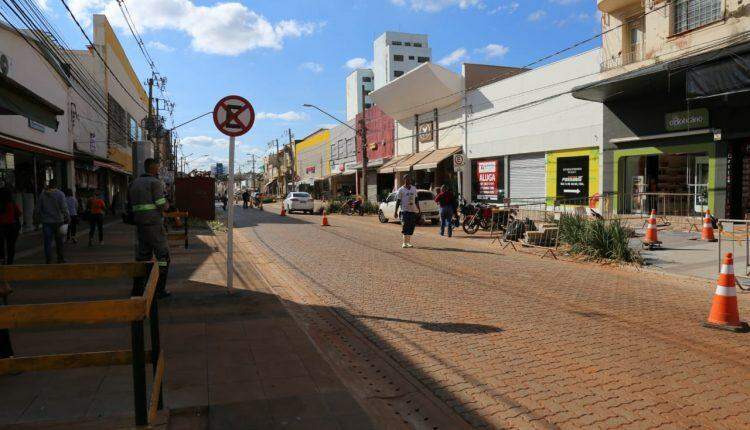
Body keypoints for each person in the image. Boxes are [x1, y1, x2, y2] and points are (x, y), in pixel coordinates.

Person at [129, 158, 170, 298]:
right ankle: (159, 290)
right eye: (157, 168)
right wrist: (167, 205)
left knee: (142, 257)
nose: (158, 170)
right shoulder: (155, 182)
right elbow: (160, 203)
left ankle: (138, 290)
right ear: (152, 168)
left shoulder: (134, 183)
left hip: (140, 225)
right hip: (153, 224)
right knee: (163, 257)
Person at [33, 179, 70, 264]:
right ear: (56, 185)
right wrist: (67, 217)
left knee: (47, 241)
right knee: (59, 241)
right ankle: (60, 258)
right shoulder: (60, 194)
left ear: (49, 185)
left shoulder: (42, 195)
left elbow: (37, 208)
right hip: (58, 221)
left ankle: (48, 259)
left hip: (46, 222)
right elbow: (64, 207)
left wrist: (36, 219)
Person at [394, 175, 420, 248]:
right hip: (404, 211)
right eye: (406, 179)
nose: (408, 180)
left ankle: (408, 242)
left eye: (409, 179)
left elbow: (416, 199)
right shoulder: (401, 190)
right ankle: (404, 243)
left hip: (413, 210)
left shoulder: (414, 188)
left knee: (411, 226)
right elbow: (398, 201)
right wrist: (395, 211)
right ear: (404, 180)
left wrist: (419, 208)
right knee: (405, 226)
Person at [0, 187, 21, 264]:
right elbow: (19, 213)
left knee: (1, 245)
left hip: (1, 227)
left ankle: (2, 260)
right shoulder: (12, 203)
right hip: (12, 227)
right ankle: (10, 262)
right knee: (11, 246)